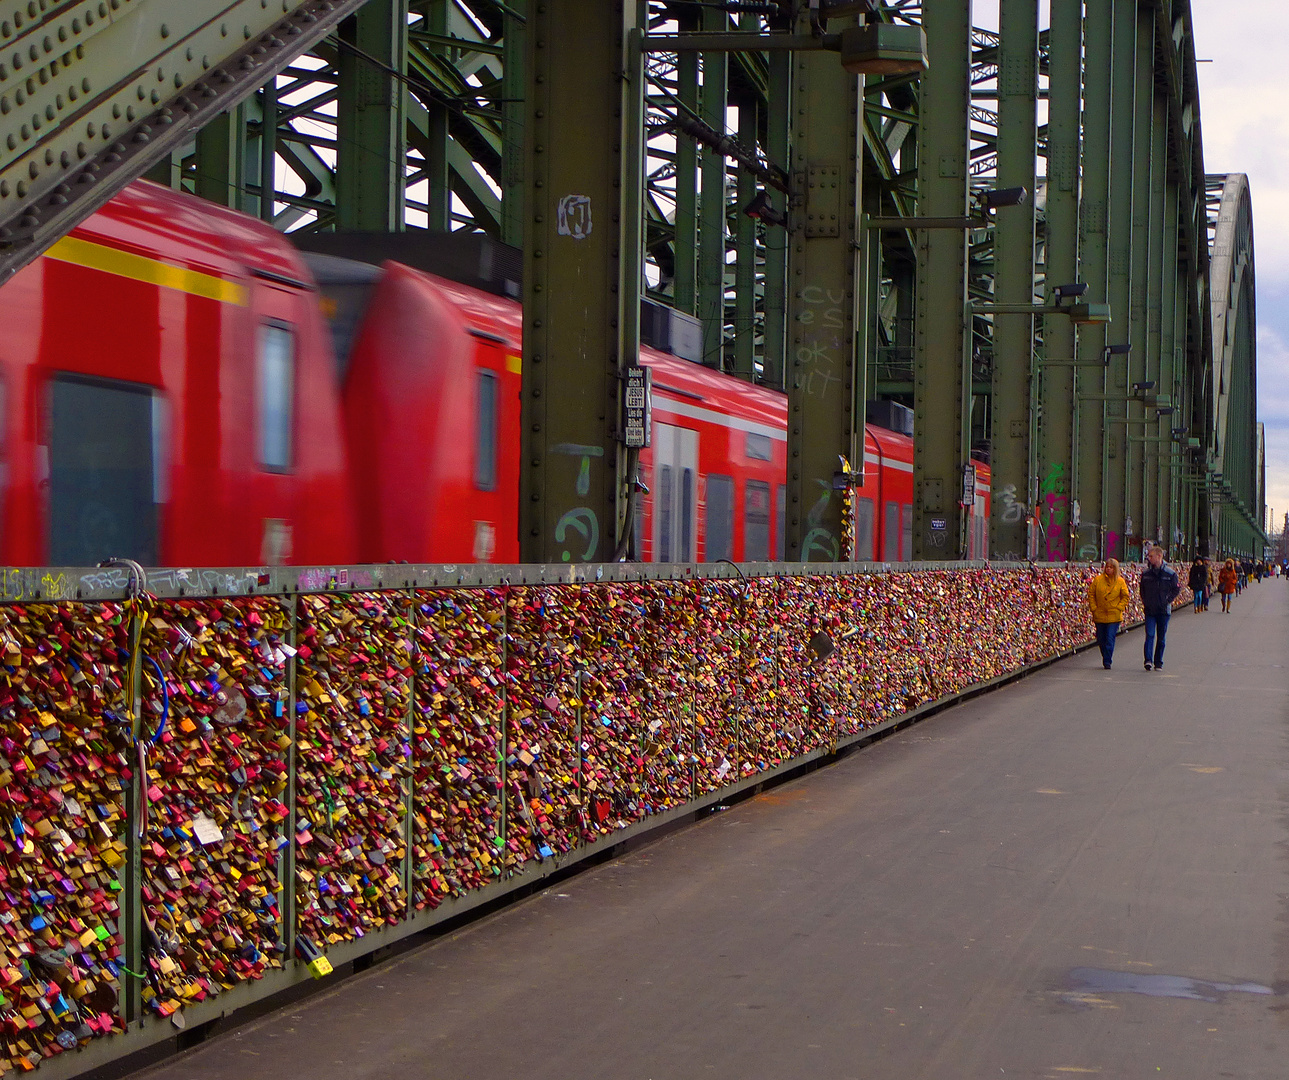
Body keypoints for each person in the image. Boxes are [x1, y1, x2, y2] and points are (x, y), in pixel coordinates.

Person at [1140, 546, 1181, 671]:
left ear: (1159, 556)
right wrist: (1146, 601)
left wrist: (1167, 600)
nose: (1149, 558)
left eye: (1151, 556)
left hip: (1163, 610)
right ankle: (1148, 660)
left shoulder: (1170, 574)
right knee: (1150, 635)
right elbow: (1142, 590)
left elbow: (1176, 589)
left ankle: (1158, 662)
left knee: (1161, 637)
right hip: (1150, 610)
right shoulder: (1146, 574)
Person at [1087, 558, 1130, 670]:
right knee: (1101, 639)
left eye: (1111, 567)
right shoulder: (1098, 580)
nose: (1108, 569)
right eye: (1107, 567)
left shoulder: (1120, 581)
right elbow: (1091, 594)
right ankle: (1105, 656)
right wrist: (1094, 608)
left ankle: (1107, 661)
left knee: (1110, 638)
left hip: (1113, 615)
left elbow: (1125, 596)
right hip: (1100, 614)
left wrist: (1119, 607)